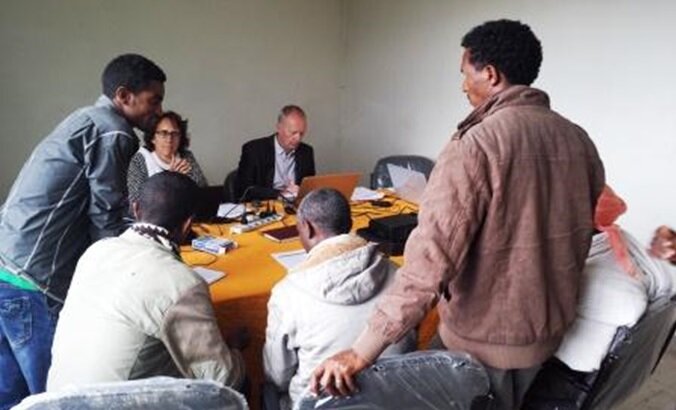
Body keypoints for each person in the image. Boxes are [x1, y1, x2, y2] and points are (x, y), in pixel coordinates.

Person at [310, 19, 605, 410]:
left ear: (490, 74)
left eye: (465, 74)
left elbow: (428, 261)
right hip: (549, 335)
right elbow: (584, 229)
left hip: (482, 345)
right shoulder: (579, 140)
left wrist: (361, 351)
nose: (463, 85)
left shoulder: (476, 144)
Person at [0, 54, 165, 409]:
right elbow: (106, 217)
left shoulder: (84, 118)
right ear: (124, 95)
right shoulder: (114, 132)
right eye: (154, 101)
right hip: (37, 279)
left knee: (10, 395)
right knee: (53, 396)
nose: (159, 110)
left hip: (7, 264)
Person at [47, 172, 246, 391]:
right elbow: (222, 380)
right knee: (241, 384)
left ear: (135, 209)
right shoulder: (182, 284)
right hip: (120, 402)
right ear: (188, 225)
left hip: (57, 397)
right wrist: (235, 349)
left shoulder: (95, 252)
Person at [263, 188, 415, 408]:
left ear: (307, 227)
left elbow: (277, 377)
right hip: (391, 401)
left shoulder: (287, 293)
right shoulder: (397, 274)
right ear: (349, 223)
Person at [555, 186, 676, 371]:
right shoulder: (622, 244)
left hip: (561, 368)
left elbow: (629, 306)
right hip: (613, 366)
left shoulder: (598, 279)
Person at [127, 111, 208, 205]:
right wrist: (171, 179)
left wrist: (185, 180)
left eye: (175, 133)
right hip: (156, 213)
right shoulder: (140, 160)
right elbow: (136, 203)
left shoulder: (186, 156)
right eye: (163, 133)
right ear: (153, 138)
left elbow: (203, 192)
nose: (169, 139)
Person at [236, 105, 315, 200]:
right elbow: (245, 189)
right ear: (278, 128)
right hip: (265, 204)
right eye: (293, 133)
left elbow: (309, 187)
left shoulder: (306, 152)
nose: (298, 138)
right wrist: (279, 194)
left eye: (301, 133)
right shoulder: (253, 150)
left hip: (295, 205)